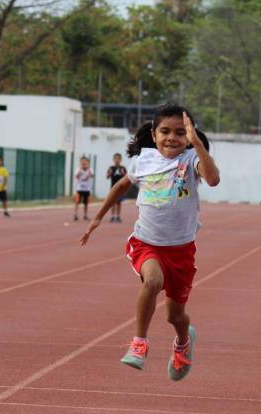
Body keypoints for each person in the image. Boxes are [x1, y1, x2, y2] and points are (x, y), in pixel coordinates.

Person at [79, 104, 220, 381]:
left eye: (180, 133)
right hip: (147, 243)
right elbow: (121, 187)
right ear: (154, 135)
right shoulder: (142, 161)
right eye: (165, 131)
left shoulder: (191, 159)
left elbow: (213, 179)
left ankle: (183, 343)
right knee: (152, 282)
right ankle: (139, 343)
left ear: (189, 136)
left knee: (175, 317)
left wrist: (197, 145)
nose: (172, 138)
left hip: (180, 250)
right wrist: (97, 218)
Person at [106, 153, 128, 223]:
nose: (117, 160)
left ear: (121, 160)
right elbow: (107, 177)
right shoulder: (111, 168)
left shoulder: (123, 168)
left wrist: (123, 173)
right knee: (112, 202)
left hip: (120, 188)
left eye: (118, 158)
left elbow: (126, 177)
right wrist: (110, 173)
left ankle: (118, 216)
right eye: (116, 158)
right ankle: (112, 216)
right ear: (113, 159)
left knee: (119, 202)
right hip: (113, 188)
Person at [74, 156, 94, 221]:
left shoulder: (90, 169)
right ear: (80, 162)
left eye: (85, 162)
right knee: (77, 202)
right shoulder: (78, 169)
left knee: (86, 203)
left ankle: (85, 215)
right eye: (82, 162)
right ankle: (75, 214)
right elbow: (76, 176)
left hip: (87, 189)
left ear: (88, 162)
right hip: (79, 188)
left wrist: (88, 169)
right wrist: (81, 169)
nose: (84, 163)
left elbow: (92, 175)